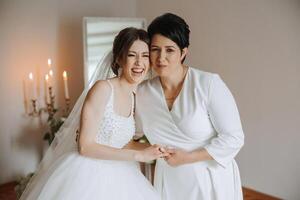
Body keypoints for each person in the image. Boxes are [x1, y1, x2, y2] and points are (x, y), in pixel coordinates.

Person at [20, 27, 166, 200]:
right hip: (87, 174)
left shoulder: (134, 96)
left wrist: (154, 149)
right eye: (132, 55)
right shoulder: (103, 89)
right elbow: (85, 146)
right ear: (119, 58)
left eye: (145, 56)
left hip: (122, 173)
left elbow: (121, 143)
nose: (139, 63)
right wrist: (139, 155)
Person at [135, 13, 245, 200]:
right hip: (169, 180)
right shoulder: (142, 92)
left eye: (170, 50)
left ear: (183, 53)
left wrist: (188, 158)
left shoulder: (208, 84)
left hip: (210, 179)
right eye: (155, 49)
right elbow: (134, 136)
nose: (161, 57)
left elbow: (234, 137)